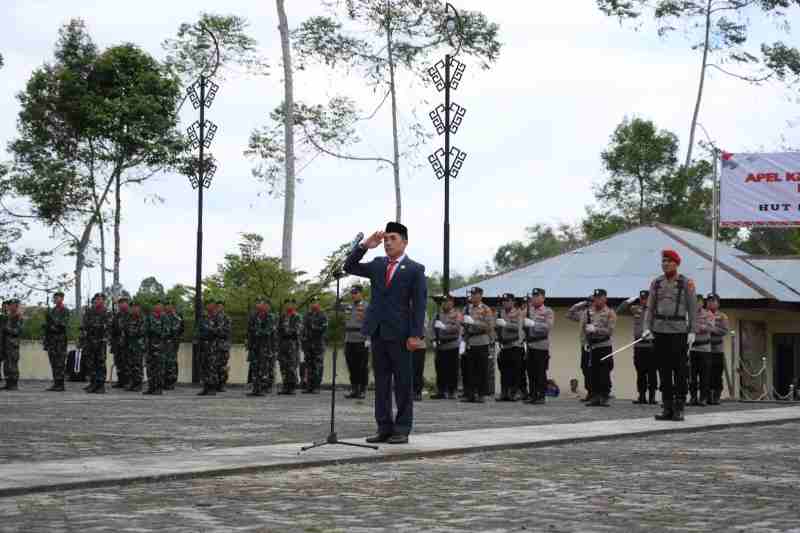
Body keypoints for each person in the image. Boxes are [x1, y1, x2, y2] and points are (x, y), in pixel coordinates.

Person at [344, 222, 427, 445]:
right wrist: (364, 246)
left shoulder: (415, 269)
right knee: (381, 383)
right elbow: (349, 266)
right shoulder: (378, 264)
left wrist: (415, 335)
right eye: (386, 239)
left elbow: (419, 305)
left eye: (393, 238)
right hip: (378, 332)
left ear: (404, 242)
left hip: (401, 335)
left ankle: (402, 428)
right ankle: (384, 427)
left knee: (402, 383)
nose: (388, 243)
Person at [643, 249, 697, 422]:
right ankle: (667, 407)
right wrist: (646, 327)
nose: (665, 264)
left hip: (678, 331)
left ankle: (679, 407)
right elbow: (650, 308)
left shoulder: (685, 283)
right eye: (663, 261)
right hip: (659, 331)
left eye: (668, 261)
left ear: (676, 263)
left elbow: (692, 308)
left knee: (680, 370)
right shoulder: (656, 283)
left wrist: (693, 330)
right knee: (663, 370)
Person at [568, 289, 616, 407]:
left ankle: (604, 396)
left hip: (603, 345)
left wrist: (596, 329)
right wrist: (582, 304)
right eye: (596, 298)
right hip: (590, 346)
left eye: (600, 297)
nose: (597, 300)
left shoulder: (610, 313)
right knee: (592, 372)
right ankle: (594, 396)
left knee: (604, 372)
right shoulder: (587, 313)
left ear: (605, 298)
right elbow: (571, 316)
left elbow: (609, 331)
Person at [617, 290, 657, 405]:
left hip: (651, 345)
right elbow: (619, 311)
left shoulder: (655, 310)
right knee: (640, 373)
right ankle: (642, 396)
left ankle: (652, 397)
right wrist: (629, 300)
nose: (643, 301)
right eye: (642, 299)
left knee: (652, 373)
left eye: (645, 299)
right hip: (639, 346)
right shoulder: (635, 309)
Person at [461, 287, 494, 403]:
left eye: (476, 294)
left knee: (482, 369)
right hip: (470, 341)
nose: (473, 296)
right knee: (469, 369)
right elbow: (462, 324)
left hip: (481, 340)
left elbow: (489, 326)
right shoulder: (466, 308)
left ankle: (481, 394)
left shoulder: (486, 309)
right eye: (472, 294)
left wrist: (474, 322)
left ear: (481, 295)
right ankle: (470, 393)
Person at [523, 288, 555, 405]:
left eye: (537, 296)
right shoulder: (527, 310)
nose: (535, 298)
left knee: (540, 371)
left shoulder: (548, 311)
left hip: (541, 345)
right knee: (530, 371)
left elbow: (548, 327)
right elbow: (520, 324)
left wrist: (534, 324)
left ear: (543, 297)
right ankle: (532, 395)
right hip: (529, 344)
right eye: (534, 296)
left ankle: (541, 395)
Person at [430, 295, 462, 399]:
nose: (445, 304)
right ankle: (441, 390)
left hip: (452, 344)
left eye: (447, 302)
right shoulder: (438, 314)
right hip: (440, 345)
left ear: (452, 303)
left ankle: (452, 391)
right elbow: (431, 327)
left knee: (452, 369)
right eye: (444, 302)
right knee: (440, 369)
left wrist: (444, 327)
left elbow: (457, 327)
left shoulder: (456, 314)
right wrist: (433, 339)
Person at [80, 293, 112, 394]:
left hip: (101, 341)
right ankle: (93, 383)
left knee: (100, 363)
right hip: (90, 341)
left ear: (104, 301)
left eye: (100, 299)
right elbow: (84, 325)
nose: (98, 301)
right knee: (91, 363)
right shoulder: (89, 312)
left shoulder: (107, 312)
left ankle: (101, 385)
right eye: (96, 299)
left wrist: (98, 328)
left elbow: (108, 326)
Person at [495, 293, 523, 401]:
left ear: (513, 302)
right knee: (504, 370)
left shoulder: (518, 313)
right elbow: (494, 326)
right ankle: (504, 393)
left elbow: (519, 327)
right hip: (504, 346)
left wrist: (506, 324)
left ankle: (514, 393)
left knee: (515, 371)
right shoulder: (500, 312)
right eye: (504, 301)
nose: (505, 302)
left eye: (508, 300)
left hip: (515, 345)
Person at [247, 298, 276, 397]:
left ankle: (264, 388)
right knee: (255, 367)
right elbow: (250, 330)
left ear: (267, 306)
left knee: (264, 368)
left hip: (265, 347)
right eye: (258, 303)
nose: (259, 305)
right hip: (254, 346)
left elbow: (267, 332)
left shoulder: (270, 317)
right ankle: (256, 389)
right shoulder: (253, 316)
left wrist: (257, 331)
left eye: (262, 303)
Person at [344, 285, 369, 399]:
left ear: (361, 293)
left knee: (362, 366)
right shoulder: (348, 306)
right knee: (351, 365)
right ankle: (354, 388)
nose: (353, 295)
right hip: (349, 339)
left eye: (355, 293)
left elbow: (370, 323)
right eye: (352, 293)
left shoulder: (366, 306)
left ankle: (362, 389)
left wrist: (369, 338)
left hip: (361, 339)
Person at [43, 291, 70, 392]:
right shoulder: (52, 310)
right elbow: (50, 325)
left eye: (58, 298)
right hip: (52, 340)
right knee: (53, 362)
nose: (56, 299)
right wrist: (47, 326)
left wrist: (53, 323)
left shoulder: (65, 310)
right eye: (55, 298)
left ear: (62, 299)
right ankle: (56, 383)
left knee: (60, 362)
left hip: (60, 340)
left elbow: (63, 325)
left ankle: (60, 384)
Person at [689, 294, 712, 406]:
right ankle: (693, 397)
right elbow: (686, 327)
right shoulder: (689, 314)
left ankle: (703, 398)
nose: (697, 304)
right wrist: (698, 327)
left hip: (704, 349)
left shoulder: (708, 314)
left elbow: (710, 328)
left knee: (704, 376)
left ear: (702, 303)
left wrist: (696, 327)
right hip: (692, 348)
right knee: (692, 376)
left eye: (699, 302)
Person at [302, 297, 328, 394]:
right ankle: (309, 386)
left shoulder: (322, 315)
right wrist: (303, 340)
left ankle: (316, 386)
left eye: (316, 302)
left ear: (319, 304)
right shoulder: (307, 315)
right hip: (308, 344)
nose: (314, 304)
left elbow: (324, 328)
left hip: (318, 344)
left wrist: (314, 328)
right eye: (312, 302)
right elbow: (303, 328)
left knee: (318, 365)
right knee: (309, 365)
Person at [277, 298, 303, 395]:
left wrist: (287, 331)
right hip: (282, 344)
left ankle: (291, 387)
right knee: (283, 366)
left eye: (291, 304)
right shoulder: (282, 316)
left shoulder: (297, 317)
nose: (289, 306)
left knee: (291, 365)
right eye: (287, 304)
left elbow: (297, 331)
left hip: (292, 344)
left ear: (294, 305)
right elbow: (278, 330)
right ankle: (285, 386)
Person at [707, 294, 729, 405]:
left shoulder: (722, 316)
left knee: (717, 373)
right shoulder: (703, 315)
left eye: (713, 301)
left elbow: (724, 330)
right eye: (709, 301)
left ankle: (716, 396)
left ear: (718, 303)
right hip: (706, 348)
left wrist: (712, 329)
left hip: (717, 349)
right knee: (706, 373)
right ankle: (707, 396)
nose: (711, 303)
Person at [144, 301, 168, 395]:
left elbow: (167, 331)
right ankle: (151, 387)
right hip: (150, 346)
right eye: (156, 305)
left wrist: (156, 331)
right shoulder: (149, 317)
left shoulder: (164, 317)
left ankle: (158, 388)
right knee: (150, 367)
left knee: (159, 368)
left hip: (160, 346)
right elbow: (145, 329)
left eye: (159, 305)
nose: (157, 307)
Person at [0, 299, 23, 391]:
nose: (9, 306)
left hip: (13, 344)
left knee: (12, 364)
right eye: (9, 305)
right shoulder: (8, 317)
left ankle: (14, 384)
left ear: (16, 306)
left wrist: (7, 329)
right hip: (6, 344)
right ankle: (8, 383)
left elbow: (17, 331)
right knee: (7, 364)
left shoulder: (18, 317)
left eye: (12, 305)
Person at [125, 301, 147, 392]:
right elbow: (125, 330)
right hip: (130, 344)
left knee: (138, 365)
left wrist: (131, 332)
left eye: (136, 307)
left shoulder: (142, 318)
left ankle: (138, 384)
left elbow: (141, 331)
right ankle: (132, 383)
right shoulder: (128, 318)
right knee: (130, 364)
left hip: (138, 345)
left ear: (139, 308)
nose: (134, 309)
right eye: (132, 307)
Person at [163, 301, 184, 390]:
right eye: (166, 305)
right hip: (164, 343)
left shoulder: (176, 318)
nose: (167, 307)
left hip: (172, 343)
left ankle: (171, 382)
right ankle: (164, 381)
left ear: (172, 307)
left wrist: (164, 332)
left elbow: (174, 330)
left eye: (169, 305)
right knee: (164, 362)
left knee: (171, 362)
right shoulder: (163, 317)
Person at [110, 296, 131, 389]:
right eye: (120, 303)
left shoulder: (130, 315)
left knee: (127, 363)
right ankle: (121, 381)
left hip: (127, 343)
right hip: (117, 343)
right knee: (118, 362)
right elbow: (113, 328)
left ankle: (127, 381)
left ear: (127, 304)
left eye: (124, 302)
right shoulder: (117, 315)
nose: (122, 304)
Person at [215, 300, 232, 392]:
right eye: (217, 306)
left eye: (220, 306)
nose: (219, 308)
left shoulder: (227, 318)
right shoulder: (213, 317)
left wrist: (216, 331)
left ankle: (222, 384)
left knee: (223, 366)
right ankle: (214, 384)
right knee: (213, 366)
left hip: (223, 346)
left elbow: (227, 332)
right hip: (214, 346)